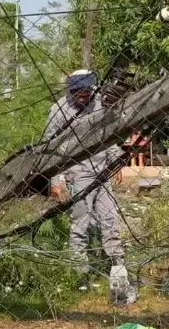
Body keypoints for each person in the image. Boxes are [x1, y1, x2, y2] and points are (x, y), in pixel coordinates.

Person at [44, 70, 134, 305]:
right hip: (78, 173)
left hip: (103, 170)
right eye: (78, 91)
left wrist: (116, 160)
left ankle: (119, 273)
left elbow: (110, 134)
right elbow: (50, 149)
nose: (83, 95)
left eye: (87, 90)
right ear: (70, 90)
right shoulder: (59, 111)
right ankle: (80, 275)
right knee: (81, 224)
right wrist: (56, 181)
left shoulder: (100, 104)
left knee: (110, 220)